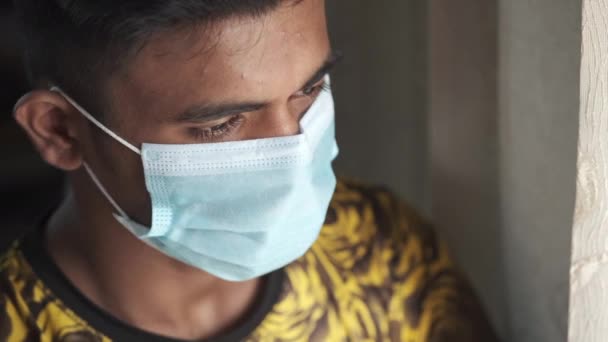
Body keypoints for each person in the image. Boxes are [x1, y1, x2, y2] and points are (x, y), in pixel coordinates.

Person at [2, 0, 498, 341]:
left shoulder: (381, 248)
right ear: (59, 131)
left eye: (309, 89)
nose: (294, 150)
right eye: (222, 124)